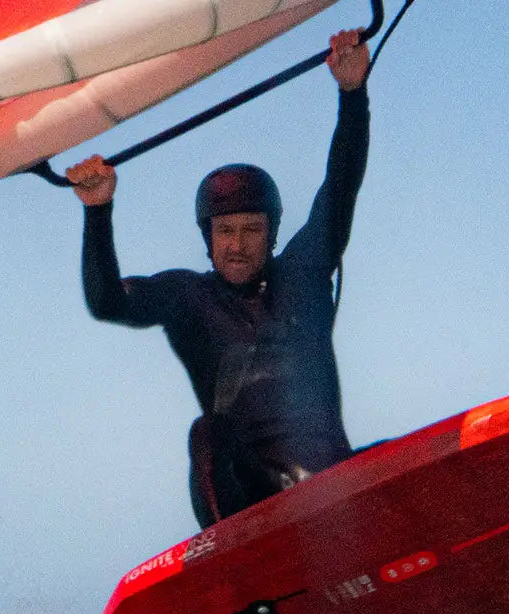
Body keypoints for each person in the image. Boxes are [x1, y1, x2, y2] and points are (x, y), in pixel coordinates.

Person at [65, 29, 372, 528]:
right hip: (251, 504)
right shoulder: (188, 298)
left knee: (408, 456)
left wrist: (352, 93)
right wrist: (98, 213)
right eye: (225, 230)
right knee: (207, 434)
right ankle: (233, 565)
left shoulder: (304, 272)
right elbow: (107, 303)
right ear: (206, 238)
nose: (237, 243)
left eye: (252, 229)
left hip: (333, 482)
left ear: (272, 234)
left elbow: (341, 185)